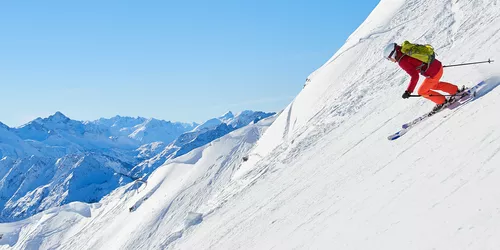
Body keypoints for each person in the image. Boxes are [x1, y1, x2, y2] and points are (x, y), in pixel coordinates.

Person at [383, 42, 464, 111]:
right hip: (437, 66)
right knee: (434, 85)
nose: (391, 60)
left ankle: (443, 102)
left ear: (393, 54)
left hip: (433, 73)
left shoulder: (402, 61)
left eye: (389, 58)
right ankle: (455, 91)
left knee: (422, 91)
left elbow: (415, 76)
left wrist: (408, 91)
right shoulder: (405, 49)